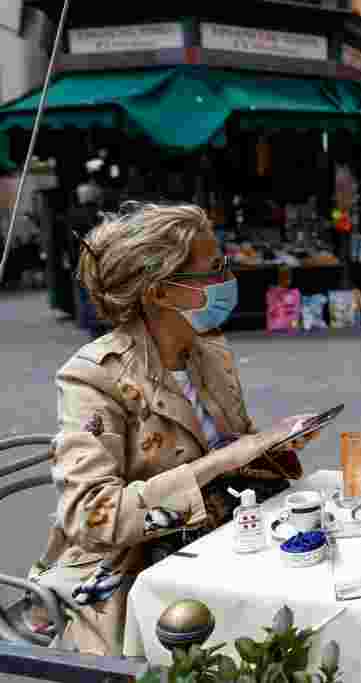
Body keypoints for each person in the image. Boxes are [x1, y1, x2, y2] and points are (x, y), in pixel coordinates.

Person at [28, 203, 320, 656]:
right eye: (214, 268)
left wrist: (270, 446)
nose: (228, 278)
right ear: (160, 293)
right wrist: (227, 458)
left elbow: (234, 461)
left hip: (223, 541)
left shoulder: (210, 353)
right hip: (133, 576)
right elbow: (92, 516)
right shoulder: (93, 376)